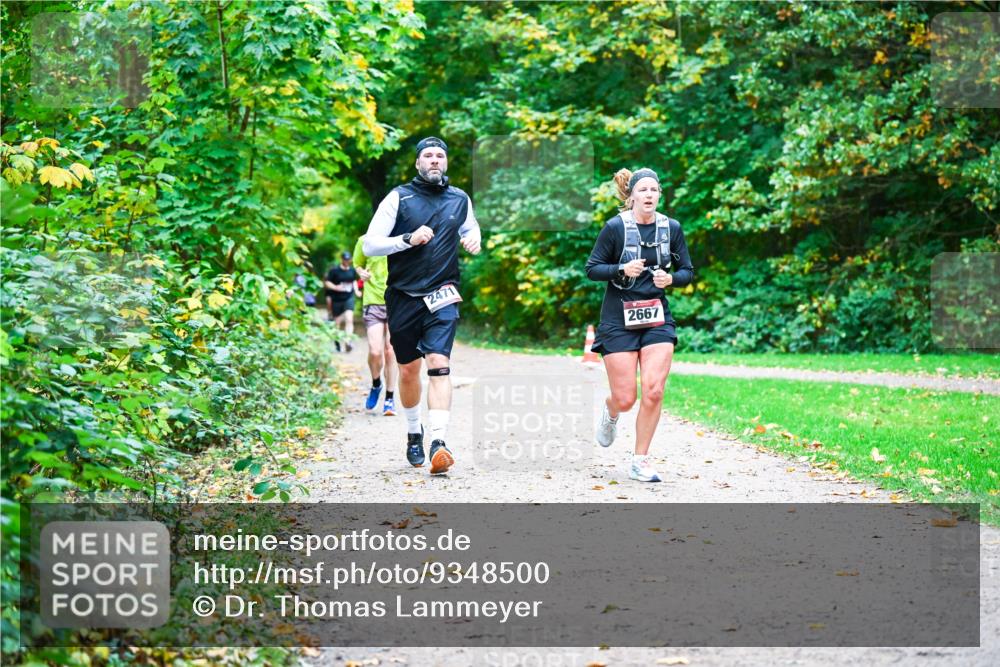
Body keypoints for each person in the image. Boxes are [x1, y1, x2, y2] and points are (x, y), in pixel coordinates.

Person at [363, 136, 481, 475]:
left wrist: (474, 238)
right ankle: (414, 431)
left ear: (446, 163)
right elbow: (370, 245)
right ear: (417, 163)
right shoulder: (399, 198)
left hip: (443, 294)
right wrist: (406, 239)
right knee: (408, 370)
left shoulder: (460, 199)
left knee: (440, 364)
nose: (433, 160)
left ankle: (438, 442)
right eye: (427, 155)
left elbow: (470, 227)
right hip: (403, 296)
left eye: (439, 156)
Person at [585, 168, 694, 482]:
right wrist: (622, 268)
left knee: (654, 391)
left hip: (656, 318)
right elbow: (592, 269)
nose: (649, 195)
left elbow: (688, 270)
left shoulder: (671, 228)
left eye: (654, 190)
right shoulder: (615, 228)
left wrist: (671, 278)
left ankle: (641, 460)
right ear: (631, 195)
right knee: (626, 397)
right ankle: (611, 411)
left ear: (660, 194)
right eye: (643, 190)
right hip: (618, 319)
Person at [353, 234, 398, 416]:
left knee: (390, 351)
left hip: (395, 301)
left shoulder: (400, 238)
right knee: (375, 350)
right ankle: (376, 383)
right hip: (372, 301)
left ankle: (389, 398)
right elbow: (357, 264)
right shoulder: (365, 240)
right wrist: (361, 273)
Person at [324, 251, 359, 352]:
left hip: (349, 298)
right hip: (337, 300)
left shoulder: (352, 271)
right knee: (337, 324)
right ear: (342, 259)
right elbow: (327, 283)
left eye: (348, 260)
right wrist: (335, 287)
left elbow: (354, 281)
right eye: (345, 259)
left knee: (349, 319)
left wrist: (356, 291)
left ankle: (348, 341)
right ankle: (337, 343)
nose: (347, 261)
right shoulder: (334, 271)